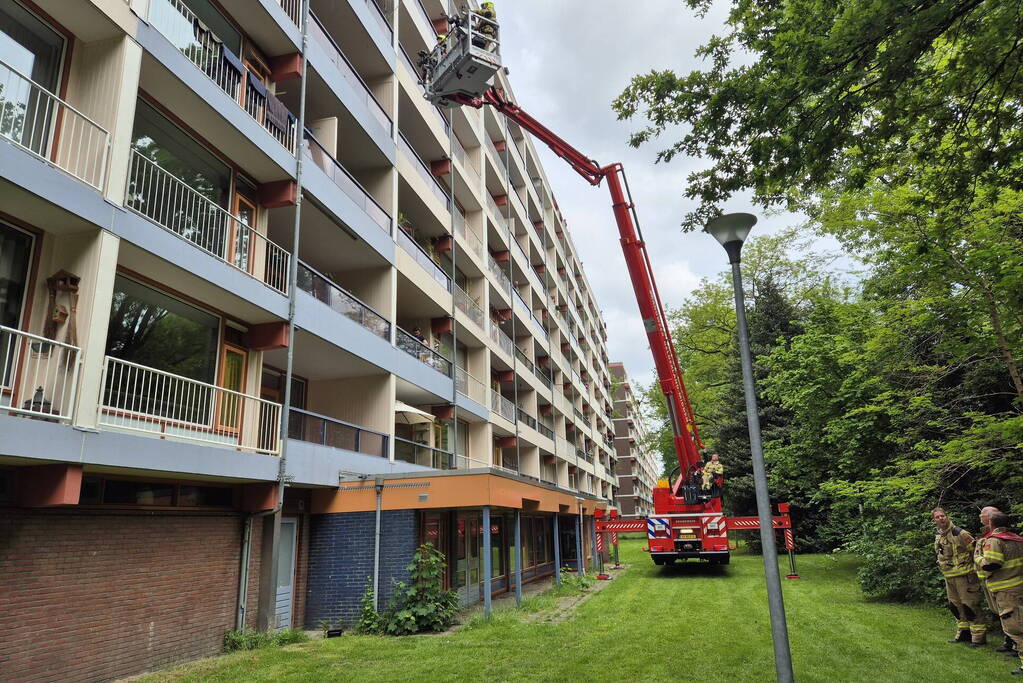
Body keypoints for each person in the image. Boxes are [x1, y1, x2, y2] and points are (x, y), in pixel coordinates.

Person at [979, 510, 1023, 675]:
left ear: (991, 523)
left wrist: (978, 558)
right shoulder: (1017, 538)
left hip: (1006, 590)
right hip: (1019, 587)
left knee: (1015, 627)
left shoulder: (995, 541)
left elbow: (992, 564)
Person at [932, 507, 984, 645]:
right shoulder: (939, 536)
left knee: (970, 605)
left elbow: (976, 550)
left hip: (965, 575)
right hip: (949, 576)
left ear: (947, 516)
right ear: (934, 520)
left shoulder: (960, 533)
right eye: (937, 517)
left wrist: (975, 569)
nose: (941, 518)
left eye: (942, 516)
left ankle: (978, 636)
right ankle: (963, 633)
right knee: (955, 606)